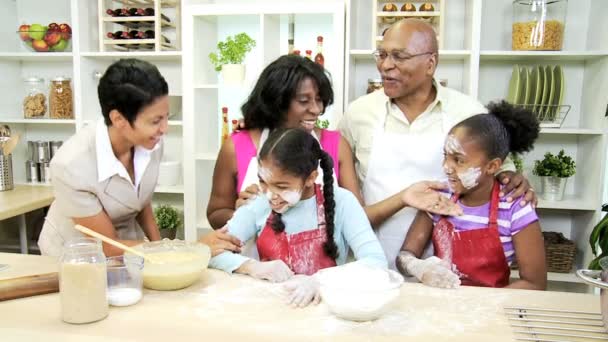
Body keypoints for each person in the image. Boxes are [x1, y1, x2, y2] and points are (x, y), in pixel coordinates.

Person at [337, 19, 537, 269]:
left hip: (445, 266)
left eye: (399, 56)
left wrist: (513, 178)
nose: (386, 65)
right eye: (382, 54)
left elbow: (499, 170)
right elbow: (345, 196)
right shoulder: (358, 113)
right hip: (370, 261)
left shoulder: (467, 111)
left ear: (430, 63)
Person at [38, 59, 240, 257]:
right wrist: (184, 250)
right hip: (78, 255)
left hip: (126, 246)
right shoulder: (71, 166)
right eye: (155, 121)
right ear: (118, 119)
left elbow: (140, 201)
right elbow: (107, 247)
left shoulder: (150, 142)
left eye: (166, 117)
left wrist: (161, 249)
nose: (164, 129)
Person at [209, 128, 387, 307]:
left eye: (282, 186)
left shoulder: (342, 202)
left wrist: (320, 280)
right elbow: (214, 252)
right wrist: (252, 267)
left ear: (311, 178)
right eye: (263, 182)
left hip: (326, 310)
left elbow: (376, 262)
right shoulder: (259, 203)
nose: (271, 195)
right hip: (271, 308)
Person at [396, 101, 546, 290]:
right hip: (440, 307)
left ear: (492, 166)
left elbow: (535, 283)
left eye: (458, 160)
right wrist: (418, 267)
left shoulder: (514, 208)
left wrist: (478, 305)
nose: (446, 167)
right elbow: (404, 257)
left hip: (491, 311)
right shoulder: (439, 198)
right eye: (446, 156)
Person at [207, 55, 363, 231]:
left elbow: (357, 217)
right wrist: (242, 213)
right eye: (304, 101)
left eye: (319, 99)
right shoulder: (237, 147)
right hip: (255, 259)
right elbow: (215, 214)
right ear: (277, 101)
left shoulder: (335, 144)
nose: (316, 109)